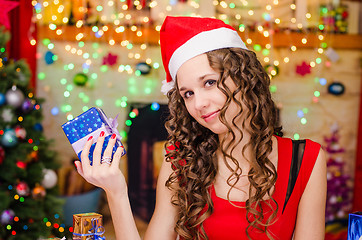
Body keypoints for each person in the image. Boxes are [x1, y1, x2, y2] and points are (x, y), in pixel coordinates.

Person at [74, 16, 327, 240]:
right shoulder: (180, 158)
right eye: (187, 93)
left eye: (209, 82)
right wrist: (116, 192)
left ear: (244, 76)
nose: (199, 104)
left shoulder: (307, 161)